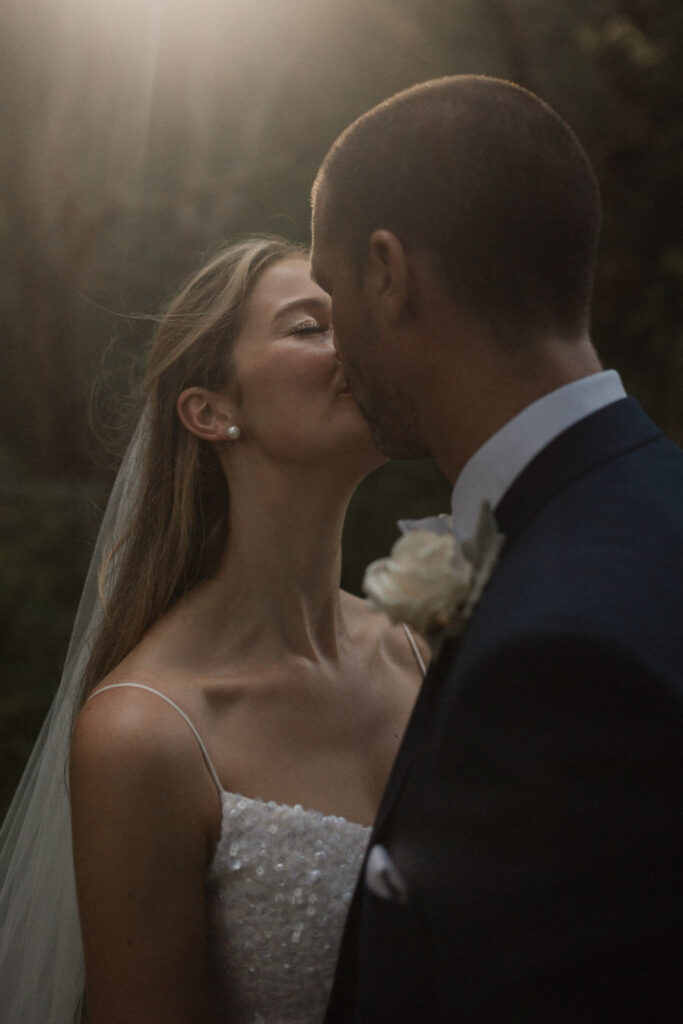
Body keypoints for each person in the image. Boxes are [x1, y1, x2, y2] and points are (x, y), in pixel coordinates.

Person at [310, 75, 683, 1022]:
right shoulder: (649, 506)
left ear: (389, 275)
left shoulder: (556, 662)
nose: (331, 344)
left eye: (328, 288)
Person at [0, 236, 428, 1024]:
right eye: (308, 327)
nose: (355, 345)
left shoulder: (419, 649)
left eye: (356, 320)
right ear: (210, 410)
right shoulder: (145, 735)